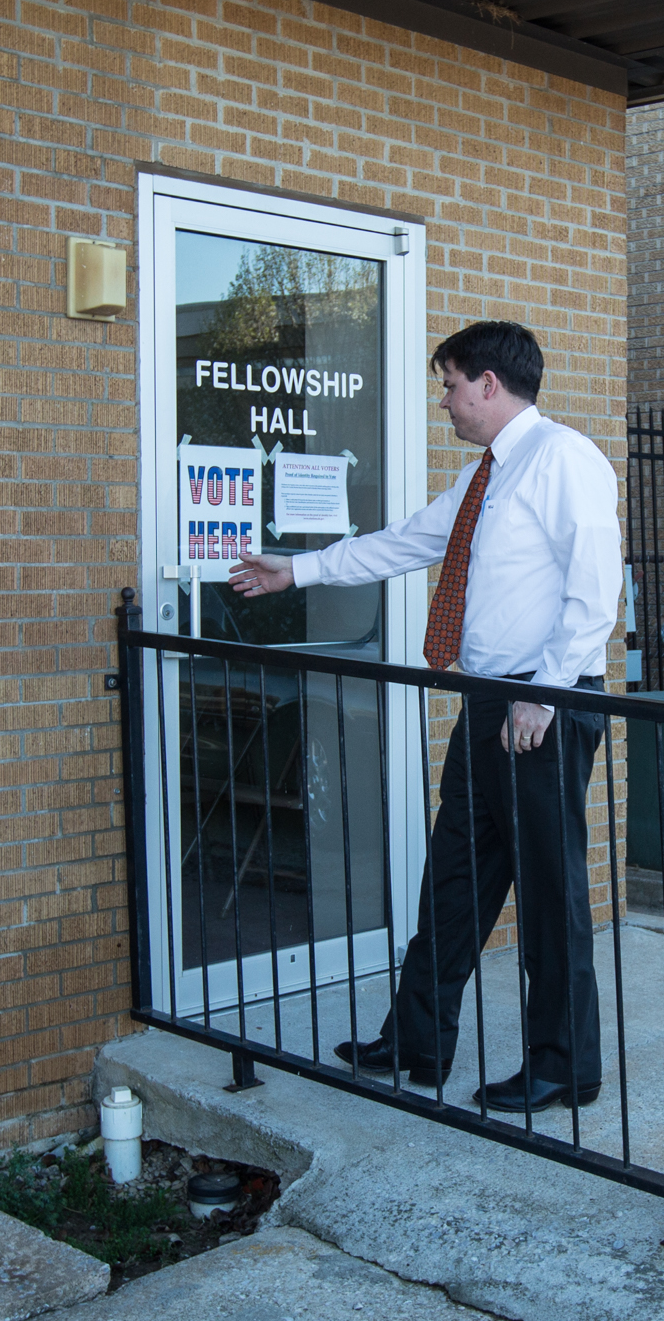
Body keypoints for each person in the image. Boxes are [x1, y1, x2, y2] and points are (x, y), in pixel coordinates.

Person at [229, 321, 621, 1113]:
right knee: (453, 880)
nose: (443, 400)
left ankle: (565, 1065)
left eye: (448, 384)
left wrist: (543, 695)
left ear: (488, 383)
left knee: (550, 892)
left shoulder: (563, 459)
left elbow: (595, 589)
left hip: (540, 706)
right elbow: (405, 543)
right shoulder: (487, 477)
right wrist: (294, 572)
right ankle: (417, 1039)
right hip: (489, 701)